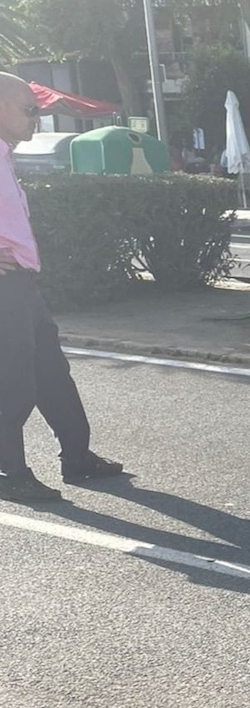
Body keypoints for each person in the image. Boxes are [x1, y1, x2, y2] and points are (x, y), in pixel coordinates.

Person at [0, 72, 124, 502]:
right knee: (13, 380)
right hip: (3, 288)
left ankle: (77, 457)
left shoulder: (5, 154)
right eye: (28, 110)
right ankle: (10, 472)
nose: (37, 118)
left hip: (20, 284)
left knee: (52, 372)